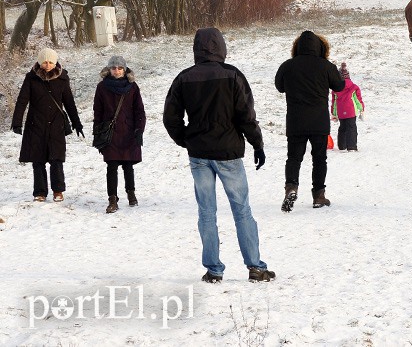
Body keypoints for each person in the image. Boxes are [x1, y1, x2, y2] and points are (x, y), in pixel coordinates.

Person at [163, 27, 274, 283]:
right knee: (242, 210)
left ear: (196, 49)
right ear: (221, 47)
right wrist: (257, 143)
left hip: (199, 153)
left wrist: (187, 140)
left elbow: (170, 118)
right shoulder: (232, 75)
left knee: (206, 212)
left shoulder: (184, 78)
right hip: (228, 153)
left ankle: (214, 270)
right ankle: (255, 267)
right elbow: (246, 115)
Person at [275, 30, 345, 211]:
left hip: (296, 121)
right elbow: (339, 86)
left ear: (297, 47)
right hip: (319, 122)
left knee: (294, 158)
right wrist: (338, 73)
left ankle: (291, 187)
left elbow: (279, 86)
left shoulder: (288, 66)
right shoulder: (326, 66)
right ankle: (319, 196)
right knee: (319, 159)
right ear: (320, 47)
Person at [12, 48, 84, 203]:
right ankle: (40, 192)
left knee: (56, 159)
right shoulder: (31, 78)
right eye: (44, 62)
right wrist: (16, 122)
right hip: (35, 125)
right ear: (39, 62)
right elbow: (22, 100)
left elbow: (69, 103)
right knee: (38, 160)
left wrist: (77, 123)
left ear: (55, 62)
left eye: (51, 62)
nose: (47, 65)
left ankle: (58, 191)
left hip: (56, 125)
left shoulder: (62, 79)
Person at [93, 55, 146, 213]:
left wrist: (139, 130)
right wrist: (97, 133)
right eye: (113, 68)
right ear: (109, 69)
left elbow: (139, 111)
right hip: (110, 133)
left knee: (128, 165)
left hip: (129, 131)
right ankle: (112, 199)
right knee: (112, 166)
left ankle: (131, 193)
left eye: (120, 68)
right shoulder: (102, 87)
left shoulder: (133, 87)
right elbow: (98, 111)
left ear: (124, 69)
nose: (116, 71)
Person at [330, 62, 364, 152]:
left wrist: (334, 113)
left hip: (341, 112)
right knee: (351, 128)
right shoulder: (354, 87)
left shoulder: (335, 89)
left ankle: (342, 146)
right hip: (351, 111)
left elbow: (334, 103)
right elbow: (358, 99)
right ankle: (351, 147)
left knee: (342, 127)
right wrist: (361, 109)